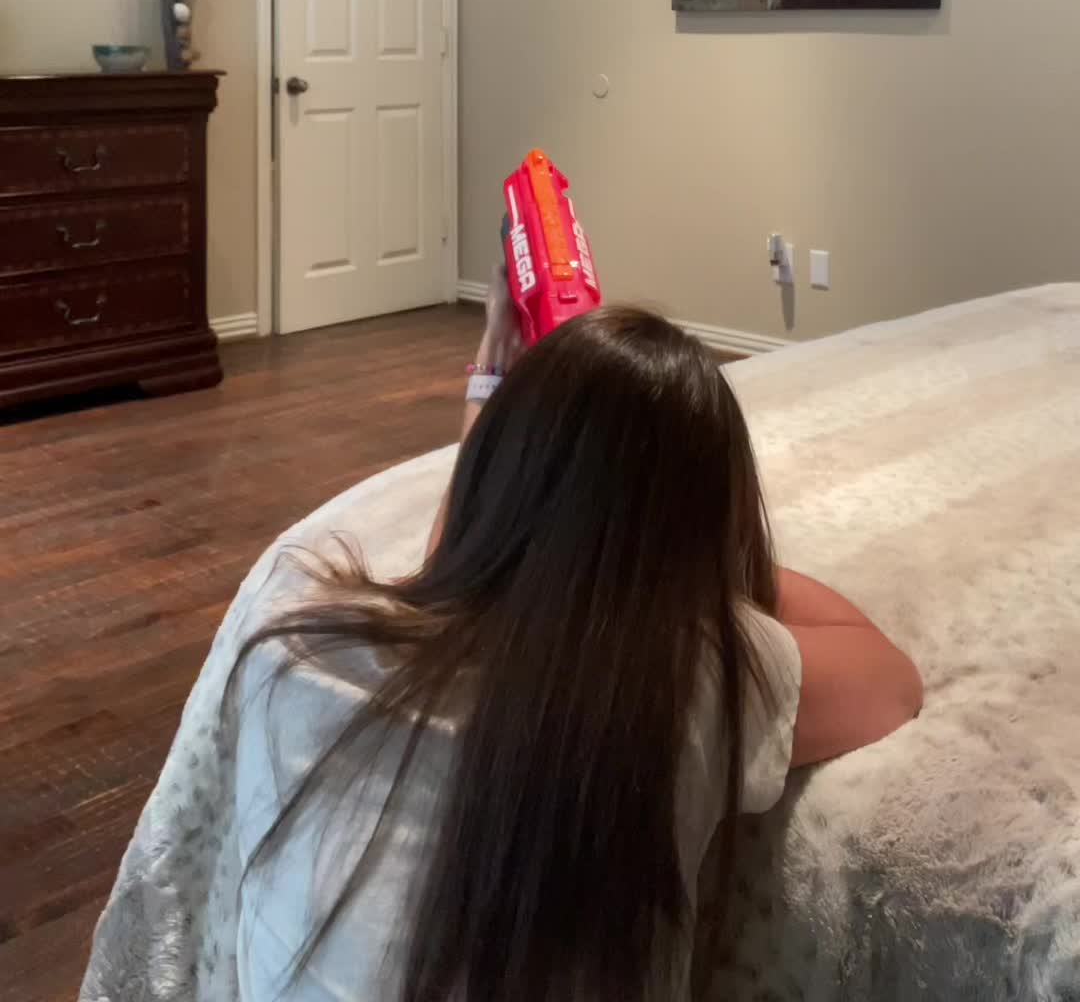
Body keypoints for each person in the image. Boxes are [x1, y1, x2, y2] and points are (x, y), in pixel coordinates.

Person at [230, 275, 923, 1002]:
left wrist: (492, 377)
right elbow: (890, 679)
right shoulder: (681, 676)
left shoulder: (293, 636)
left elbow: (466, 556)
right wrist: (692, 565)